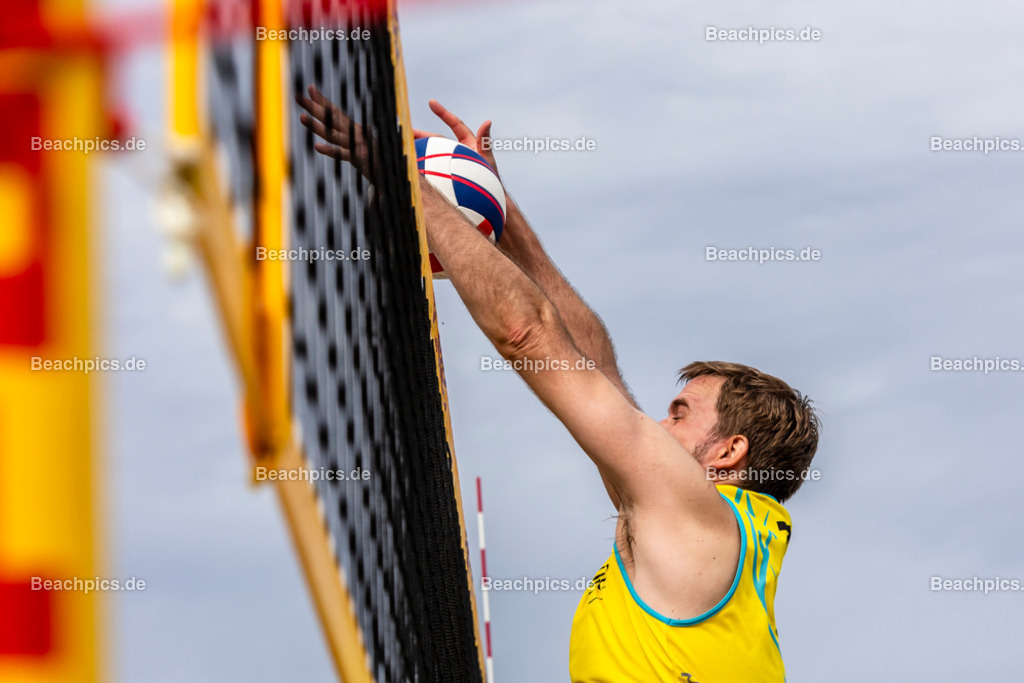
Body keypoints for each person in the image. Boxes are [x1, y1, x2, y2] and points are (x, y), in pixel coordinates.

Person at [298, 91, 821, 683]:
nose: (656, 422)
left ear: (730, 452)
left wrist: (407, 180)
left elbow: (528, 334)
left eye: (680, 414)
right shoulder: (714, 531)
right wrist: (496, 204)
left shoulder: (695, 516)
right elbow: (590, 363)